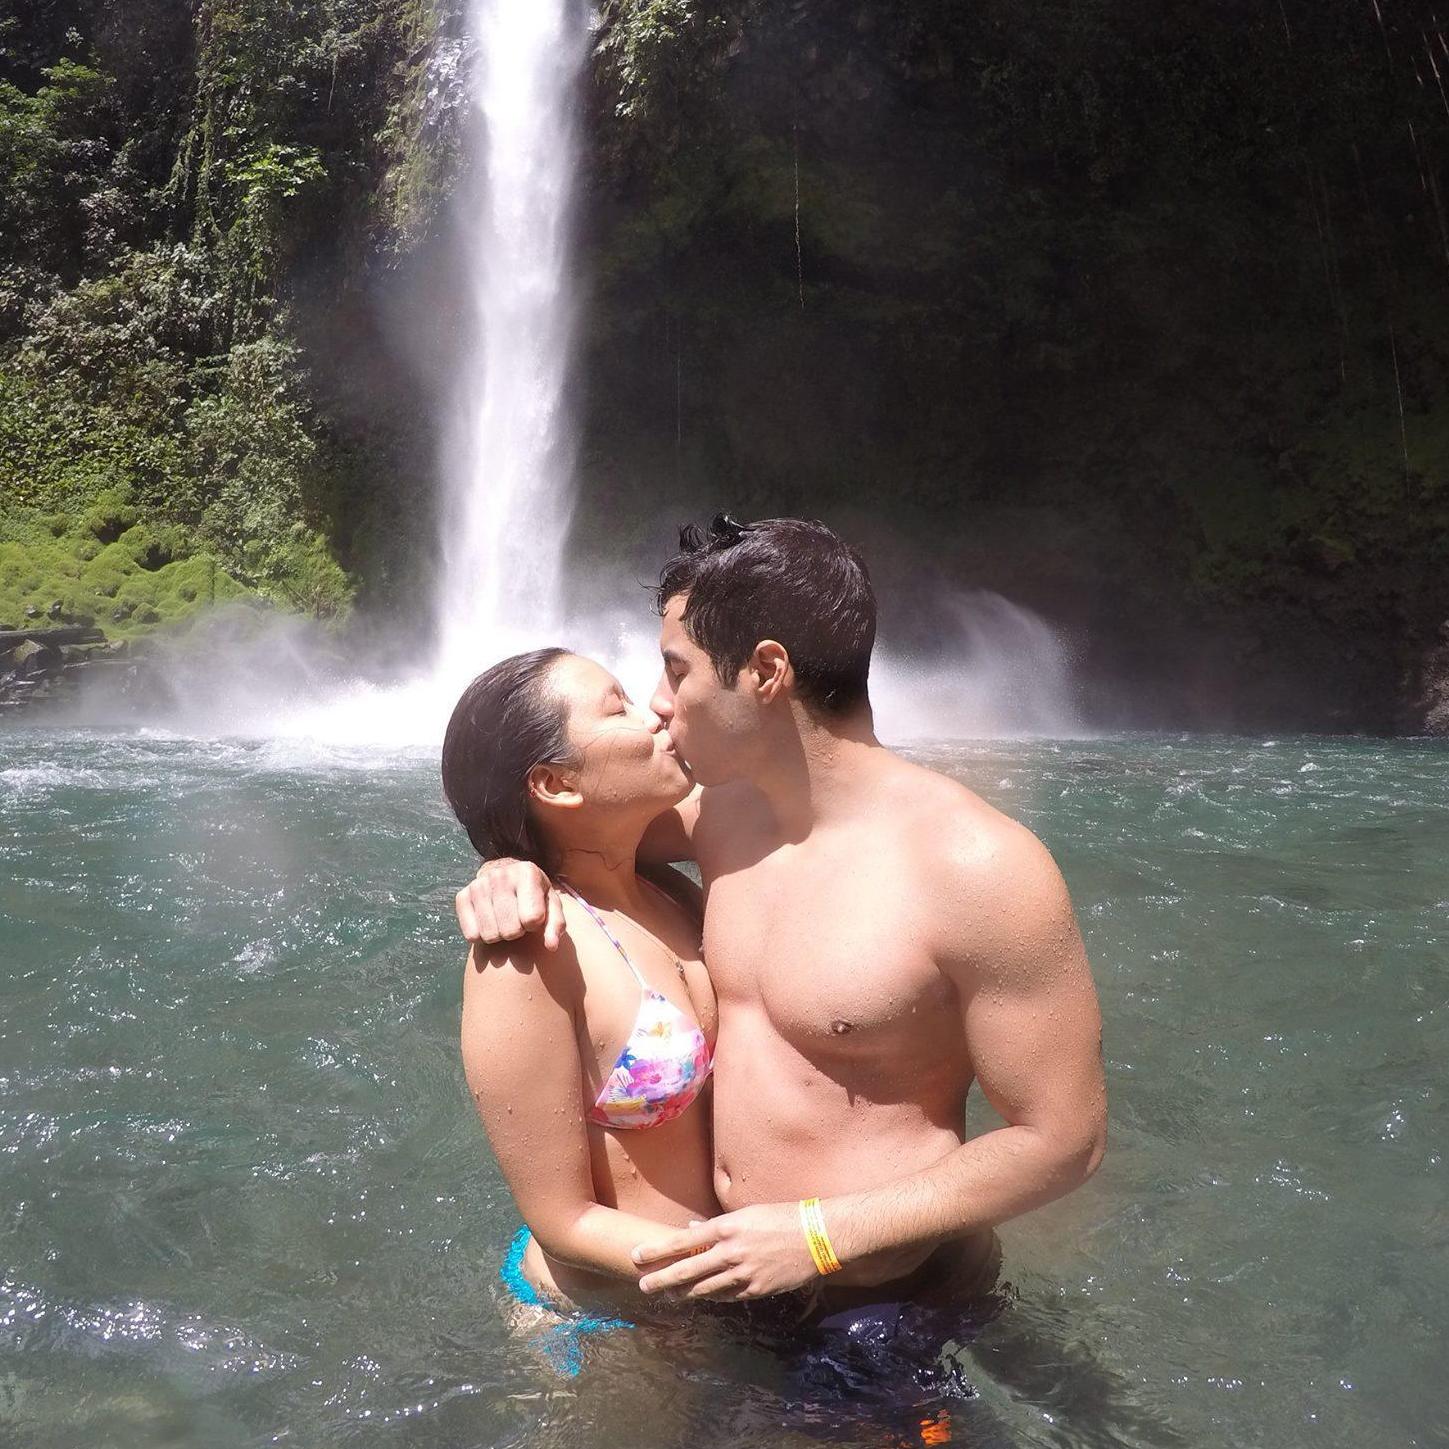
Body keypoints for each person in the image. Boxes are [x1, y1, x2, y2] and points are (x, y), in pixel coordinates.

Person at [455, 517, 1107, 1371]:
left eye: (676, 669)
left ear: (765, 671)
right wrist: (505, 869)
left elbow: (1064, 1139)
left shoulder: (977, 869)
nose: (659, 699)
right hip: (725, 1301)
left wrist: (819, 1236)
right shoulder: (719, 819)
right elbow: (571, 832)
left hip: (880, 1304)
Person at [442, 646, 719, 1320]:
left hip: (720, 1291)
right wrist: (751, 1270)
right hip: (607, 1326)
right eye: (616, 704)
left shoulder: (669, 893)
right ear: (557, 783)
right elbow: (561, 1220)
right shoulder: (528, 953)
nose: (656, 712)